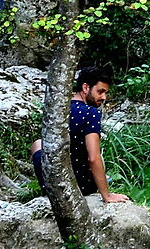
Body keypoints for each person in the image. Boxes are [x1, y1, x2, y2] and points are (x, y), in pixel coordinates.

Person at [30, 66, 131, 204]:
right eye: (100, 92)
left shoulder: (59, 109)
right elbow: (93, 158)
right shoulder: (91, 112)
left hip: (54, 185)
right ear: (85, 87)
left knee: (38, 144)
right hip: (81, 186)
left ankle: (48, 191)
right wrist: (106, 195)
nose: (104, 97)